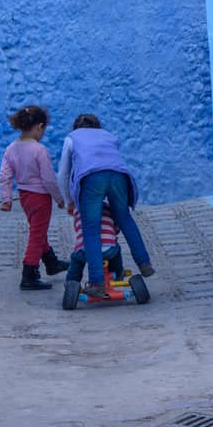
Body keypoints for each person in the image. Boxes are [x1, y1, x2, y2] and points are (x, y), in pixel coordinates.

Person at [56, 113, 155, 301]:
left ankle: (96, 282)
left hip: (92, 178)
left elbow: (63, 173)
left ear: (76, 127)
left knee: (91, 229)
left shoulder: (72, 138)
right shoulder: (109, 135)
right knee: (124, 219)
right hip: (119, 175)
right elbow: (110, 160)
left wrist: (69, 201)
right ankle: (144, 263)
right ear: (97, 126)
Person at [0, 104, 67, 290]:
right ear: (39, 126)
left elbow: (5, 175)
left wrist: (6, 199)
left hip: (25, 197)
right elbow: (48, 178)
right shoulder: (39, 150)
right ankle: (29, 273)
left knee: (38, 230)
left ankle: (51, 262)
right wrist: (59, 198)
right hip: (41, 198)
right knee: (36, 235)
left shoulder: (11, 148)